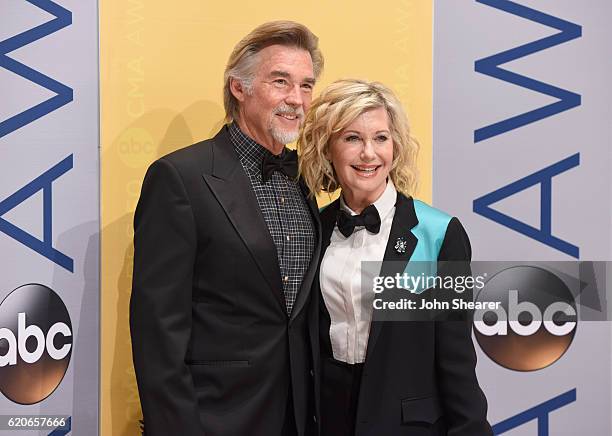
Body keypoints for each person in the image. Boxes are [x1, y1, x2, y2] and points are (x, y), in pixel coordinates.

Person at [130, 21, 324, 436]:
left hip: (298, 417)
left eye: (306, 86)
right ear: (239, 87)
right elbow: (158, 331)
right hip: (215, 418)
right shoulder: (180, 178)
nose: (296, 100)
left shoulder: (302, 182)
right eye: (280, 82)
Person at [298, 79, 492, 436]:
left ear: (395, 146)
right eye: (352, 138)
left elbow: (456, 360)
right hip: (328, 421)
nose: (369, 153)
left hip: (408, 425)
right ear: (329, 149)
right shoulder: (314, 228)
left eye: (381, 138)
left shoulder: (438, 233)